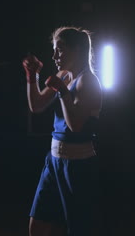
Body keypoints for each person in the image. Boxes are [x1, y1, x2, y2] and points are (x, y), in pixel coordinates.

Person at [23, 26, 103, 236]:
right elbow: (37, 106)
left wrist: (63, 92)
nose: (54, 55)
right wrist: (33, 76)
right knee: (37, 225)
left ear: (76, 50)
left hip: (78, 165)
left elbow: (75, 126)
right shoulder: (64, 76)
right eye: (54, 49)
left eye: (60, 48)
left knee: (78, 229)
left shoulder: (89, 81)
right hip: (54, 160)